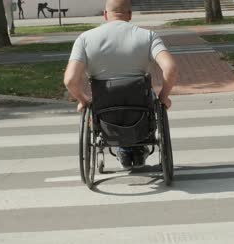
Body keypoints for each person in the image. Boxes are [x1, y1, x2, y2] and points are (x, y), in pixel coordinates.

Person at [64, 0, 178, 170]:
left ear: (105, 15)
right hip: (140, 108)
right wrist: (163, 97)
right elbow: (171, 68)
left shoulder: (85, 39)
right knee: (146, 98)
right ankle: (136, 147)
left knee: (103, 105)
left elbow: (70, 80)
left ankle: (124, 148)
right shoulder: (148, 36)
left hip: (105, 110)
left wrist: (83, 100)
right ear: (130, 15)